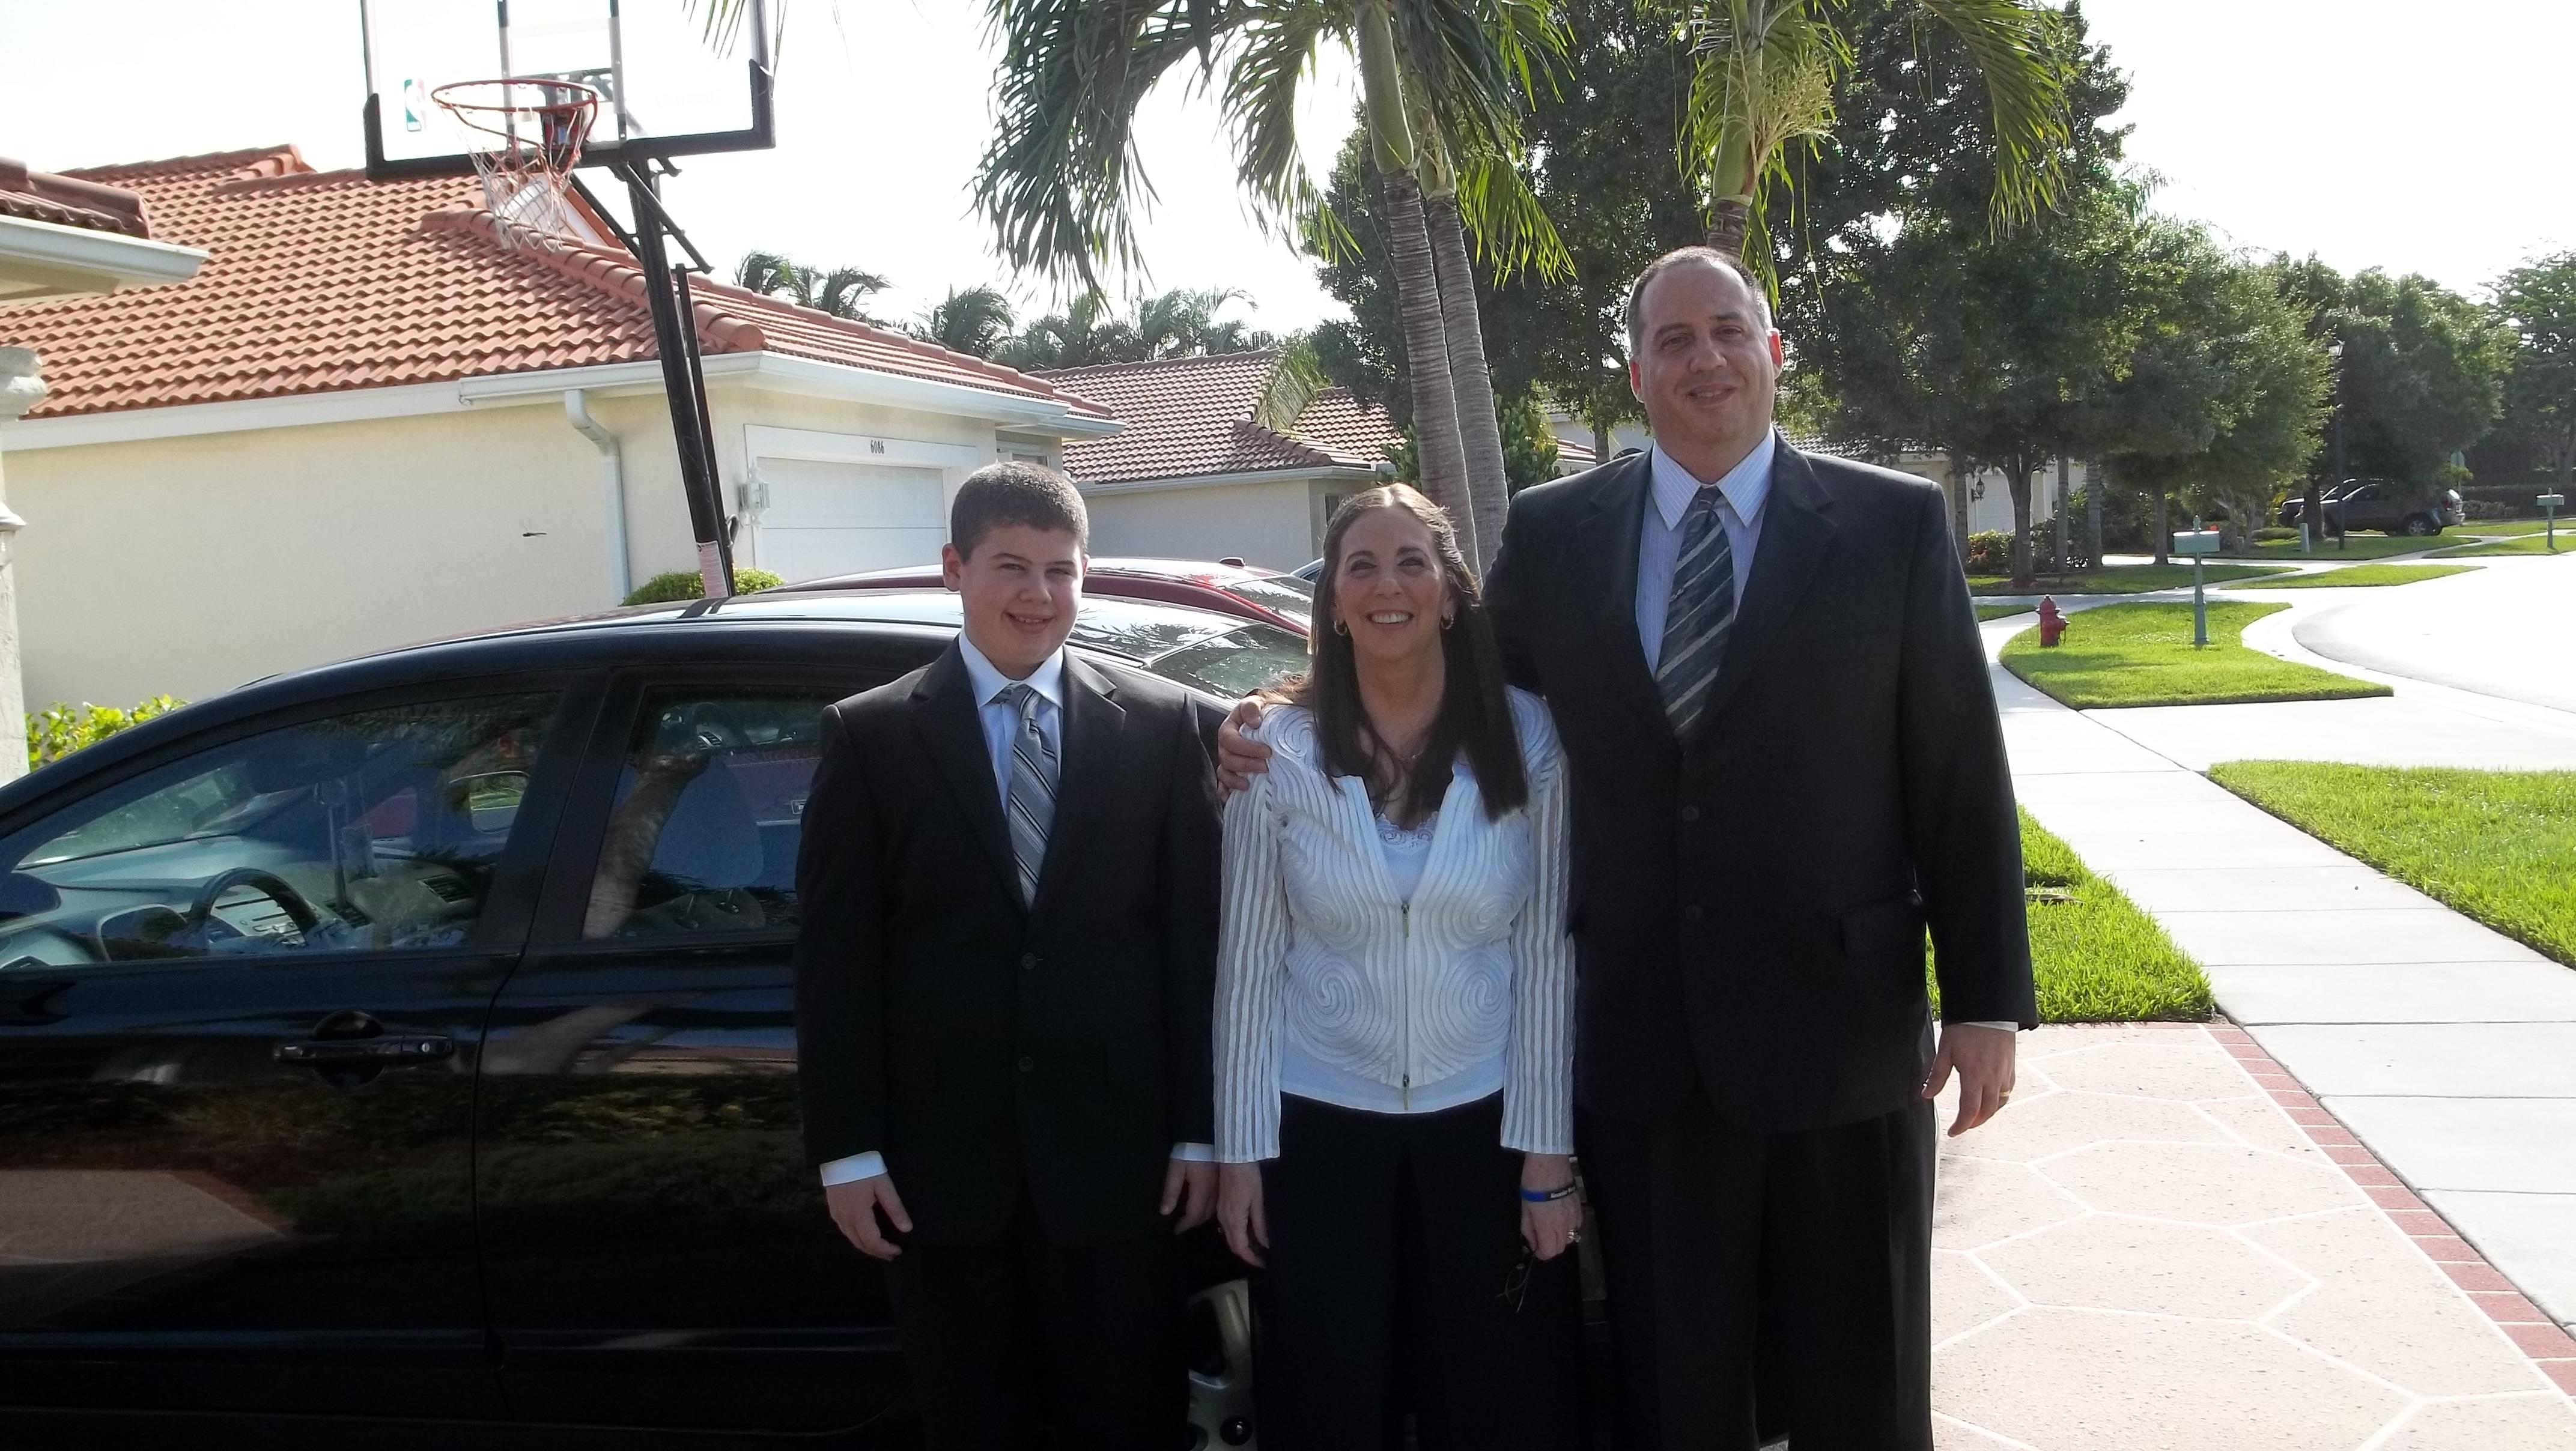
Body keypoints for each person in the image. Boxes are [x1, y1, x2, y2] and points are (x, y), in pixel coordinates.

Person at [1220, 247, 2035, 1451]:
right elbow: (1457, 687)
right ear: (1636, 374)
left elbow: (1958, 768)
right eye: (1672, 339)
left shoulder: (1891, 523)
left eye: (1728, 331)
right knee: (1675, 1388)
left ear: (1773, 352)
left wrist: (1983, 999)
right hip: (1648, 1042)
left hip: (1841, 1030)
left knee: (1857, 1378)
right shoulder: (1557, 533)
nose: (1704, 358)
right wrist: (1268, 717)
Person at [792, 461, 1223, 1449]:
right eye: (1012, 568)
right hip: (943, 1176)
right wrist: (847, 1150)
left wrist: (1201, 1132)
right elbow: (837, 963)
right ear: (955, 568)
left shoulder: (1163, 727)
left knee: (1129, 1421)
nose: (1039, 595)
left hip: (1121, 1171)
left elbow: (1194, 950)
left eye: (1061, 571)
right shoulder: (871, 738)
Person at [1212, 483, 1582, 1450]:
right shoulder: (1275, 752)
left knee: (1496, 1410)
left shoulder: (1529, 737)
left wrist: (1547, 1155)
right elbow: (1247, 967)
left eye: (1412, 562)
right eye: (1362, 566)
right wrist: (1242, 1154)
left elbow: (1546, 956)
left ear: (1450, 593)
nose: (1389, 585)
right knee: (1329, 1407)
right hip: (1319, 1134)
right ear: (1333, 601)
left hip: (1485, 1131)